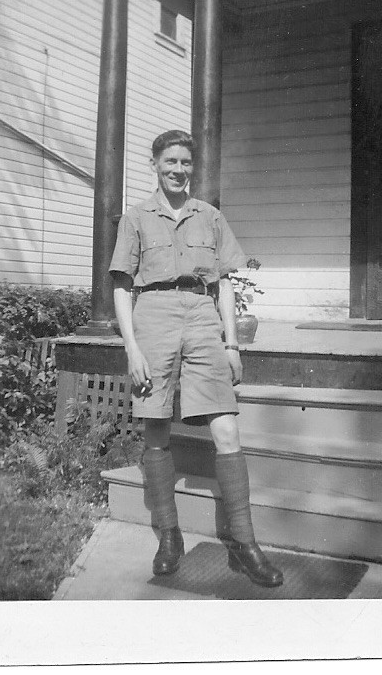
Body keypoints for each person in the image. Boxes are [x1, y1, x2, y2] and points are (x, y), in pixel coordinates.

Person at [109, 130, 283, 588]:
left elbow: (224, 283)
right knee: (156, 424)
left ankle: (245, 543)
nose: (178, 170)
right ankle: (170, 535)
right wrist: (131, 347)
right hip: (154, 318)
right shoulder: (135, 219)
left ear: (193, 167)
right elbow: (122, 286)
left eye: (186, 162)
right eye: (170, 161)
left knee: (226, 426)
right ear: (155, 163)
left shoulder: (210, 217)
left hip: (203, 316)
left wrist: (231, 344)